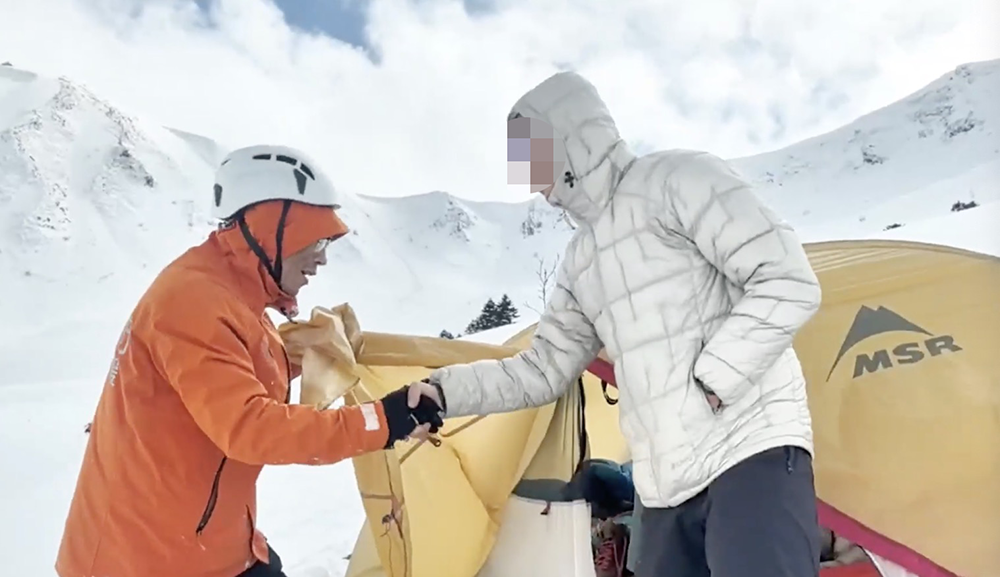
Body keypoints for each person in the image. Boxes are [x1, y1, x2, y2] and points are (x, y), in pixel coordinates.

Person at [408, 71, 824, 577]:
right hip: (664, 486)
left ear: (572, 138)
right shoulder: (581, 261)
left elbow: (786, 278)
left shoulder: (680, 180)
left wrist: (715, 378)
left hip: (749, 447)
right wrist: (442, 392)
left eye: (532, 155)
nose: (528, 177)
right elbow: (542, 369)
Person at [55, 145, 442, 577]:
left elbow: (235, 366)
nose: (322, 257)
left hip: (208, 544)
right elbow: (250, 428)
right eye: (315, 240)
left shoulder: (231, 292)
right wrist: (383, 420)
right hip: (143, 560)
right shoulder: (193, 302)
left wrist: (313, 350)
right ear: (272, 229)